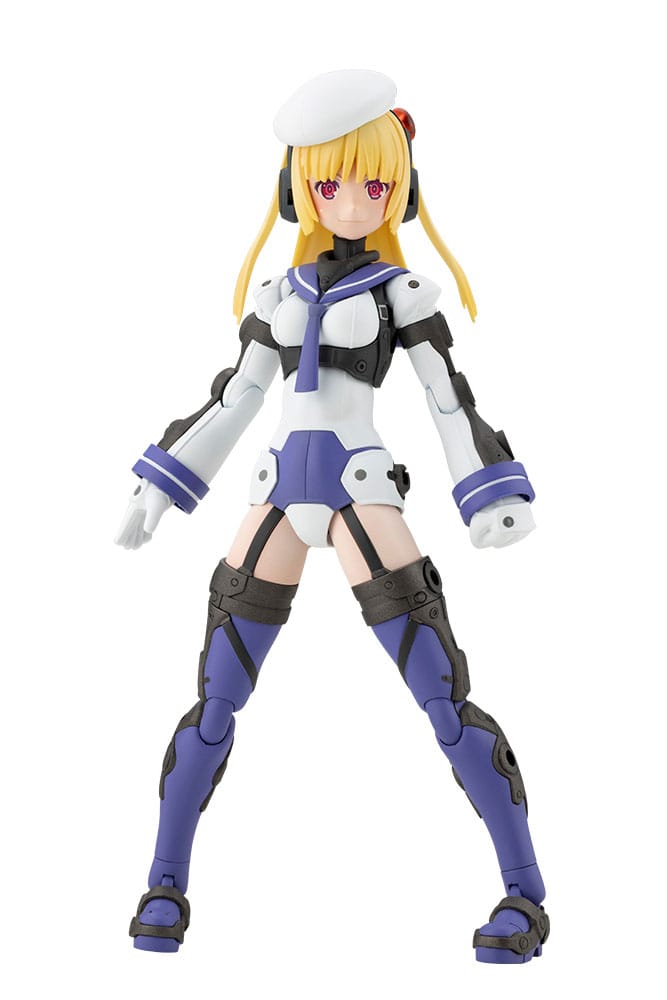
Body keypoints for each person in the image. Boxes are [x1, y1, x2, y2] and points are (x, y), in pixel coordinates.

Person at [117, 69, 549, 964]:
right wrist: (160, 485)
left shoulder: (401, 293)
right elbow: (233, 400)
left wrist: (489, 489)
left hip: (360, 492)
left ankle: (523, 892)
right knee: (213, 702)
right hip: (277, 492)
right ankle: (163, 883)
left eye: (376, 184)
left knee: (441, 696)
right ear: (295, 190)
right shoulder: (278, 295)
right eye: (329, 184)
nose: (353, 201)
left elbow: (447, 399)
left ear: (403, 192)